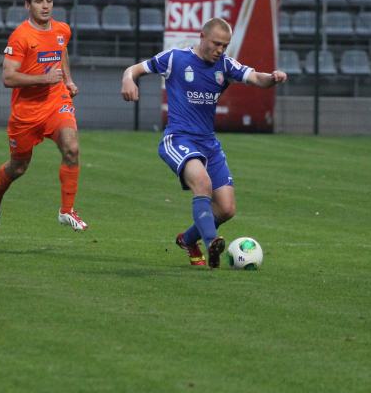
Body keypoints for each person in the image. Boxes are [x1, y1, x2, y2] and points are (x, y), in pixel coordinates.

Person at [120, 17, 287, 268]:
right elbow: (134, 69)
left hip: (208, 143)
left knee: (226, 209)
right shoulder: (175, 58)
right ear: (202, 36)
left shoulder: (225, 65)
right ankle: (211, 243)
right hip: (178, 138)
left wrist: (272, 78)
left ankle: (188, 240)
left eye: (225, 45)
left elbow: (255, 78)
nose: (220, 50)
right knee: (202, 182)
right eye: (216, 43)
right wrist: (128, 79)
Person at [0, 0, 87, 231]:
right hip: (26, 113)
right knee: (18, 167)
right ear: (27, 5)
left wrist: (68, 80)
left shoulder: (62, 30)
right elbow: (8, 77)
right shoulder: (20, 36)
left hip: (56, 102)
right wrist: (44, 78)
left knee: (72, 148)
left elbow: (61, 51)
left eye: (49, 1)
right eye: (39, 1)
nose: (45, 6)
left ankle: (66, 211)